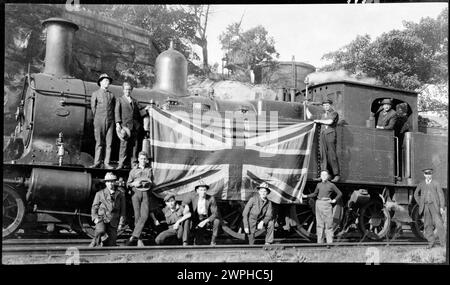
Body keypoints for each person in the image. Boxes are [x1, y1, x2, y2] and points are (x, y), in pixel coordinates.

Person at [125, 151, 159, 246]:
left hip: (146, 194)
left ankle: (133, 236)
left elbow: (152, 183)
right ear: (138, 159)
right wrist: (133, 184)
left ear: (147, 160)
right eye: (141, 158)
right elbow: (128, 184)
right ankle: (139, 240)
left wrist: (149, 183)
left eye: (145, 158)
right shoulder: (133, 170)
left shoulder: (149, 170)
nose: (143, 160)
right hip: (136, 193)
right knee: (137, 216)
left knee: (144, 215)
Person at [302, 170, 342, 247]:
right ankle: (319, 243)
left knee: (328, 224)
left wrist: (334, 200)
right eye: (322, 175)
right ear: (320, 176)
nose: (323, 177)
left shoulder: (331, 185)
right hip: (318, 204)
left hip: (327, 204)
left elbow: (340, 193)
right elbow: (314, 194)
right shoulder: (318, 185)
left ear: (327, 176)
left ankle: (329, 243)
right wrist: (306, 196)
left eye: (325, 175)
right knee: (319, 224)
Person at [89, 172, 126, 247]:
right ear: (106, 183)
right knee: (100, 230)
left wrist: (121, 223)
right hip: (102, 218)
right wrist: (95, 218)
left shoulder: (120, 195)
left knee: (111, 244)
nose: (111, 184)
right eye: (108, 182)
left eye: (112, 181)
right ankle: (94, 242)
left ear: (115, 182)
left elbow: (123, 211)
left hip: (113, 221)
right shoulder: (99, 194)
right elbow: (94, 207)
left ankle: (104, 241)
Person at [115, 82, 146, 169]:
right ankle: (121, 163)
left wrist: (147, 109)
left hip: (135, 127)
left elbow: (140, 113)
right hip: (125, 127)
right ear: (123, 90)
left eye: (129, 89)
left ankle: (134, 163)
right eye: (126, 89)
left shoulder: (135, 101)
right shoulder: (120, 100)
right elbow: (117, 112)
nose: (127, 91)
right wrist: (118, 124)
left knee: (134, 146)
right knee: (123, 146)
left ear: (131, 90)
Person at [413, 168, 446, 249]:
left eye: (429, 174)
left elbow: (441, 195)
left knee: (439, 224)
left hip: (434, 206)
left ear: (432, 175)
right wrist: (421, 203)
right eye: (426, 174)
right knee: (427, 225)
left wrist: (441, 207)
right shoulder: (421, 184)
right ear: (424, 175)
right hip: (426, 207)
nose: (428, 176)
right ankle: (431, 243)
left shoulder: (436, 183)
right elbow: (415, 194)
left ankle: (443, 244)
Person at [182, 180, 220, 245]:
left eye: (204, 190)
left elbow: (215, 213)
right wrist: (186, 206)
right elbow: (185, 201)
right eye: (201, 190)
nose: (203, 192)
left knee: (217, 221)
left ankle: (213, 241)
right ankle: (185, 242)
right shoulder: (193, 196)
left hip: (206, 219)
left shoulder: (211, 198)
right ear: (197, 191)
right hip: (196, 218)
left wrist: (205, 221)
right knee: (187, 220)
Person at [91, 73, 115, 169]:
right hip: (99, 120)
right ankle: (97, 162)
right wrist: (98, 118)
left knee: (109, 143)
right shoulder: (95, 94)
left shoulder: (112, 95)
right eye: (106, 81)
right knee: (99, 142)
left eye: (108, 81)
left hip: (110, 121)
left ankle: (107, 163)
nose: (107, 83)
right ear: (101, 82)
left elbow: (113, 108)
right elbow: (93, 108)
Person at [314, 99, 340, 182]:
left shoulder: (334, 113)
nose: (326, 107)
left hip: (330, 134)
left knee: (332, 155)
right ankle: (324, 175)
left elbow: (330, 122)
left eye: (327, 105)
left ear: (331, 105)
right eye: (324, 105)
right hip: (323, 135)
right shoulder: (322, 115)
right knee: (323, 155)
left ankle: (336, 175)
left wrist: (319, 121)